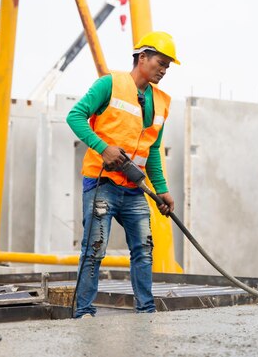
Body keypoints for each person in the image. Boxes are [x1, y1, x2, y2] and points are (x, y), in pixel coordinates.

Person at [66, 31, 179, 317]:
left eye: (167, 66)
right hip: (102, 184)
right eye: (160, 62)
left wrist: (162, 189)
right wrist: (103, 148)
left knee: (143, 250)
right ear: (143, 57)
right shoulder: (110, 84)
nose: (164, 70)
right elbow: (75, 116)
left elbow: (152, 150)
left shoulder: (161, 102)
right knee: (94, 250)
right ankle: (83, 314)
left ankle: (146, 310)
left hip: (134, 190)